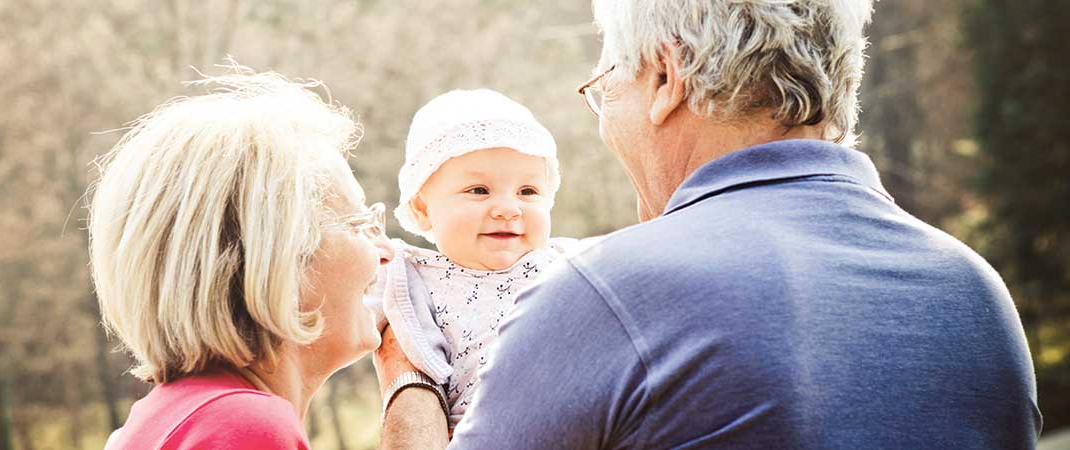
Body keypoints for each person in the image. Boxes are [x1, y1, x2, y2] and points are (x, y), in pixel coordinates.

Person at [375, 1, 1042, 449]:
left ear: (666, 78)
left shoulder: (602, 295)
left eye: (606, 86)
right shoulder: (975, 292)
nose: (604, 117)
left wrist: (406, 368)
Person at [89, 70, 394, 450]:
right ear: (280, 258)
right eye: (359, 225)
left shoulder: (167, 420)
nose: (387, 251)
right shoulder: (245, 428)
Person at [368, 89, 579, 430]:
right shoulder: (411, 277)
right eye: (479, 190)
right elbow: (338, 318)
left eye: (527, 192)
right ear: (423, 209)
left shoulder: (570, 263)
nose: (508, 209)